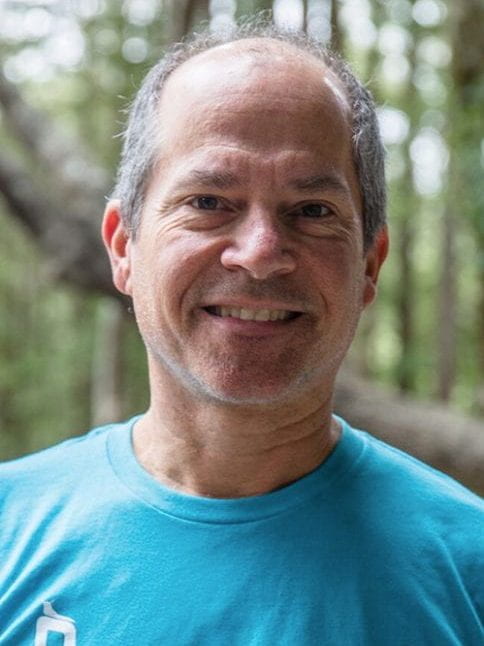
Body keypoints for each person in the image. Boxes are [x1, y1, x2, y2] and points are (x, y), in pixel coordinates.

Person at [1, 21, 483, 646]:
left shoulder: (467, 566)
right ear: (123, 246)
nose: (259, 253)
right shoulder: (10, 531)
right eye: (208, 201)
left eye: (312, 211)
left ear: (369, 263)